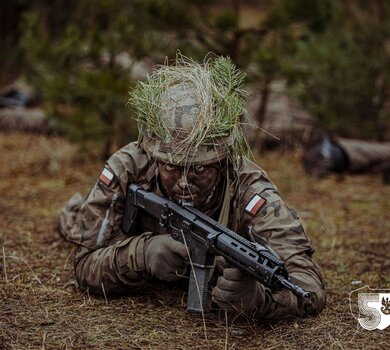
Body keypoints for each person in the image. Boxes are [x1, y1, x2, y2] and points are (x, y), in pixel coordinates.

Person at [58, 55, 326, 319]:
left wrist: (260, 300)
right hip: (122, 241)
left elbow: (307, 289)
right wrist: (142, 254)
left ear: (223, 162)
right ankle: (73, 212)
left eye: (200, 168)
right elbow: (84, 266)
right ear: (154, 157)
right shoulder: (130, 168)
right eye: (172, 167)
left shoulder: (250, 190)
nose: (184, 181)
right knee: (73, 222)